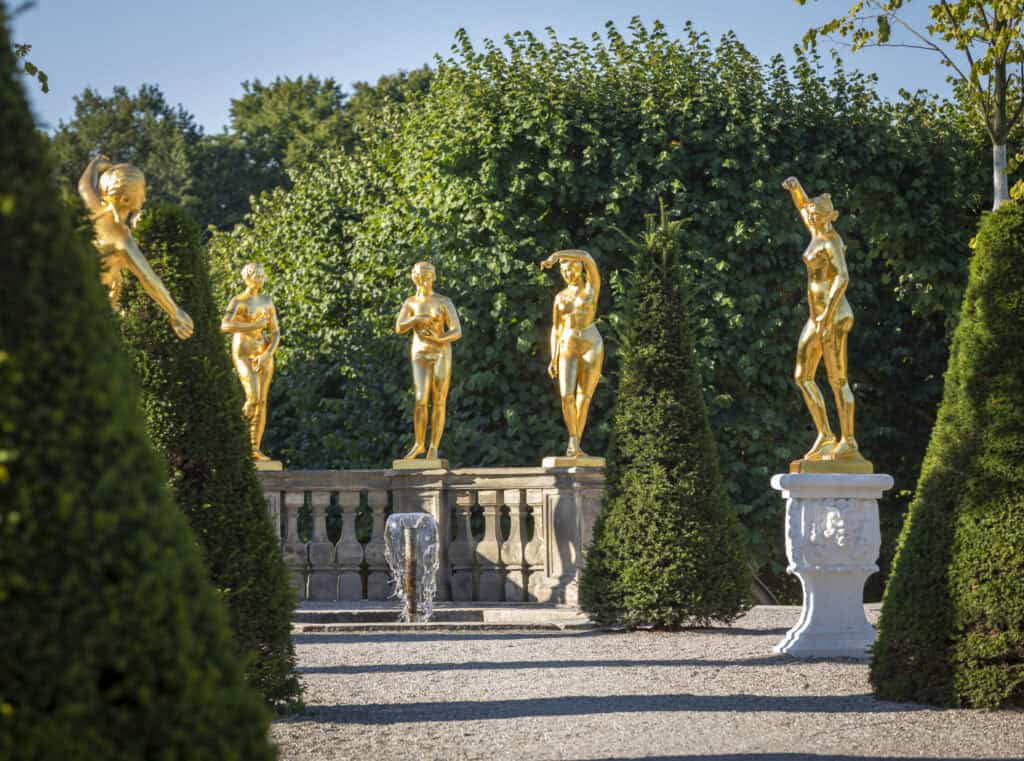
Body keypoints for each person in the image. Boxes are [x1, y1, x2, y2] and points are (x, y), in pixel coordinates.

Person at [782, 176, 865, 464]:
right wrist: (796, 189)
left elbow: (842, 277)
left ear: (830, 217)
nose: (811, 216)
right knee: (802, 376)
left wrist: (827, 315)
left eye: (817, 214)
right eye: (811, 214)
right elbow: (803, 206)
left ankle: (849, 441)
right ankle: (826, 434)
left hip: (834, 315)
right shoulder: (816, 231)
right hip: (816, 317)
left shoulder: (831, 240)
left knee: (836, 378)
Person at [77, 155, 193, 339]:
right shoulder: (121, 239)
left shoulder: (94, 208)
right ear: (125, 199)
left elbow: (84, 184)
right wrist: (174, 311)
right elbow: (148, 279)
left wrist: (97, 163)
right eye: (141, 191)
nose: (145, 196)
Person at [394, 262, 463, 461]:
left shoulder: (443, 301)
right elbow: (399, 327)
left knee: (439, 400)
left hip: (441, 351)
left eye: (427, 276)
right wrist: (417, 319)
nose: (424, 280)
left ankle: (434, 446)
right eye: (420, 276)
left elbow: (457, 330)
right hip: (420, 352)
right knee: (420, 399)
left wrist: (440, 339)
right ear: (415, 278)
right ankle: (418, 444)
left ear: (433, 277)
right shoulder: (410, 302)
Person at [540, 249, 604, 458]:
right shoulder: (560, 297)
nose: (567, 274)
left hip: (590, 342)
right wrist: (553, 356)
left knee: (583, 397)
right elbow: (556, 329)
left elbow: (588, 256)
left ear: (579, 269)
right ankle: (573, 439)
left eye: (571, 269)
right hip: (567, 342)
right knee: (566, 395)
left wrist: (557, 255)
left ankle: (575, 442)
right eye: (564, 271)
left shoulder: (591, 287)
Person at [221, 262, 279, 461]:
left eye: (262, 275)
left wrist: (267, 354)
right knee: (252, 398)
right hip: (243, 353)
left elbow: (275, 332)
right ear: (248, 277)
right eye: (257, 275)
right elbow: (224, 325)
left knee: (262, 402)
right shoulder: (239, 301)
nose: (261, 279)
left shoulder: (267, 301)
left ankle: (254, 449)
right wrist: (253, 325)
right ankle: (236, 441)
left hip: (262, 354)